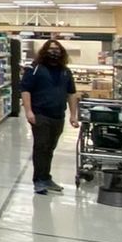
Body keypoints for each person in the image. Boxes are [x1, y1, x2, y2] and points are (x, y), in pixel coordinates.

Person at [20, 39, 79, 194]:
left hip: (58, 115)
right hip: (40, 114)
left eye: (57, 49)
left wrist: (73, 115)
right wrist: (28, 111)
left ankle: (46, 177)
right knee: (41, 147)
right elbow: (25, 90)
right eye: (51, 49)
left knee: (50, 148)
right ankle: (39, 181)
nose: (54, 52)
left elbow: (71, 93)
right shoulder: (35, 68)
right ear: (45, 51)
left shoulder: (65, 71)